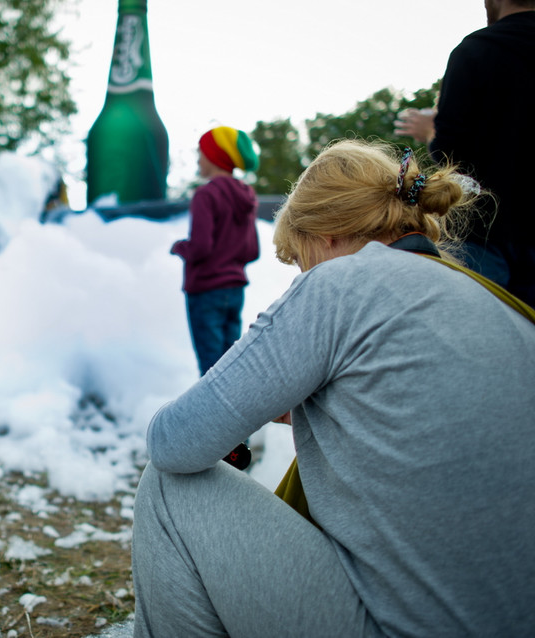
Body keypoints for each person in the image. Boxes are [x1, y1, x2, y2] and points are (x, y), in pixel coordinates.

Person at [131, 140, 535, 637]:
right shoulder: (496, 305)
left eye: (299, 259)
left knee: (168, 487)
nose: (302, 275)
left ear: (325, 235)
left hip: (401, 626)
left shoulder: (341, 283)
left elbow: (174, 442)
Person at [393, 0, 535, 307]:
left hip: (483, 234)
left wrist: (430, 131)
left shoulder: (474, 51)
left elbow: (450, 152)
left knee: (483, 339)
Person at [171, 126, 259, 376]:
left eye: (201, 152)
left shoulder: (206, 195)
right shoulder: (247, 195)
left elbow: (200, 248)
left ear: (214, 156)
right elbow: (253, 251)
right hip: (235, 291)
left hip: (206, 291)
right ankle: (239, 415)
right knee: (230, 369)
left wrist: (180, 247)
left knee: (210, 373)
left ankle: (211, 417)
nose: (198, 158)